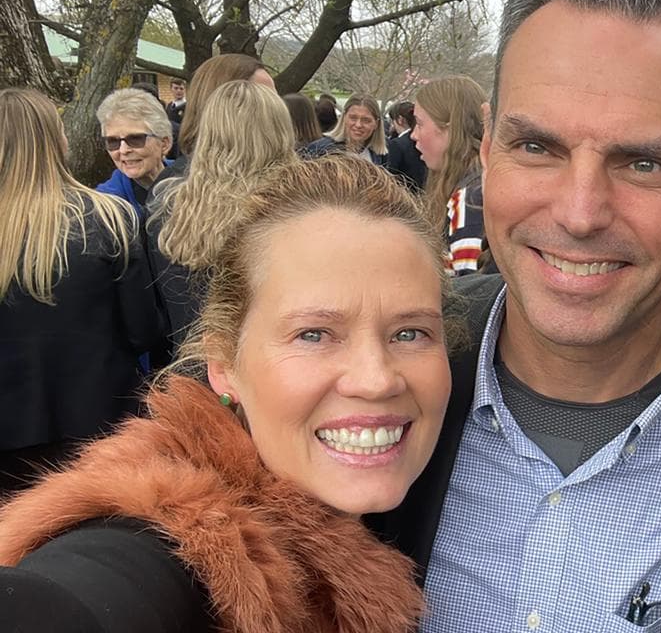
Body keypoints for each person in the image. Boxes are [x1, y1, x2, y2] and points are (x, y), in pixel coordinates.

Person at [366, 0, 661, 632]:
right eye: (537, 148)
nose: (580, 215)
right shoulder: (375, 359)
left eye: (642, 163)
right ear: (487, 151)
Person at [0, 155, 448, 632]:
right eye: (314, 334)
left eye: (410, 333)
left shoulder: (412, 499)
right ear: (224, 366)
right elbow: (86, 592)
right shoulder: (175, 531)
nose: (376, 380)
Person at [0, 89, 165, 496]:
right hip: (100, 420)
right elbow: (143, 331)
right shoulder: (109, 217)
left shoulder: (107, 216)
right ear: (58, 141)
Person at [148, 80, 298, 348]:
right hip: (274, 354)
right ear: (280, 132)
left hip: (195, 355)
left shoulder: (170, 206)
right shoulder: (293, 205)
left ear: (209, 132)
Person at [154, 53, 275, 185]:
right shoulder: (175, 186)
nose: (277, 110)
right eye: (263, 100)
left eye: (275, 98)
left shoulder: (283, 176)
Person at [410, 75, 488, 275]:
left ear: (450, 128)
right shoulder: (476, 185)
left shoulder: (470, 200)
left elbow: (472, 287)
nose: (413, 135)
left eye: (419, 123)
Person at [94, 88, 173, 217]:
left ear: (164, 144)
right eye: (113, 141)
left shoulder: (192, 179)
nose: (123, 150)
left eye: (135, 139)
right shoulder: (105, 207)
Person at [305, 95, 388, 165]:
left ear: (376, 124)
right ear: (344, 118)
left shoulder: (379, 155)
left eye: (366, 120)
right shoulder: (319, 149)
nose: (358, 125)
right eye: (353, 118)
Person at [385, 100, 427, 191]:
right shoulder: (423, 139)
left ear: (400, 120)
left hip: (404, 193)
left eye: (393, 121)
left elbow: (391, 174)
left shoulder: (396, 144)